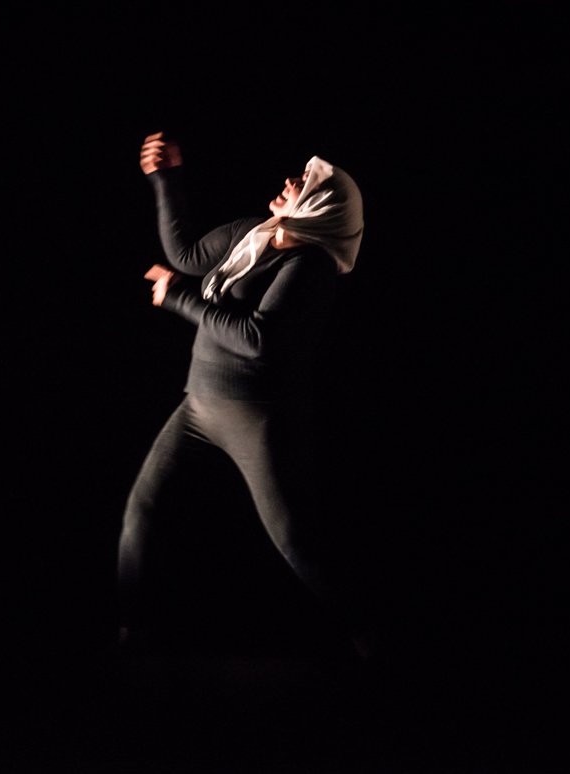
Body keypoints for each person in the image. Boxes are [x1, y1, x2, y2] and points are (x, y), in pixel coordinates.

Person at [117, 131, 376, 660]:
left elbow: (257, 340)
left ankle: (369, 635)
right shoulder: (251, 233)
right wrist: (165, 178)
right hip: (196, 406)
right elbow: (187, 254)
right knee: (144, 511)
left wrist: (179, 298)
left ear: (320, 207)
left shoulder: (310, 268)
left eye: (304, 183)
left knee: (294, 542)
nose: (290, 181)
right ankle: (130, 635)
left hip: (252, 418)